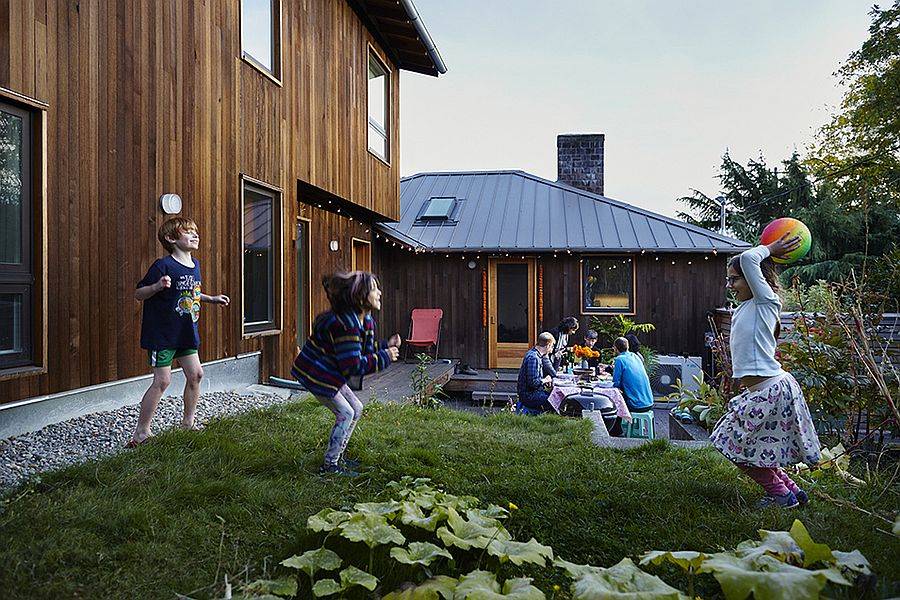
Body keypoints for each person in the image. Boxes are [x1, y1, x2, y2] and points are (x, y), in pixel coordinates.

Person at [709, 235, 821, 509]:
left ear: (753, 278)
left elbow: (749, 258)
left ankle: (780, 496)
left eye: (734, 279)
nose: (729, 285)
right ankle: (793, 492)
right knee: (749, 448)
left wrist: (769, 249)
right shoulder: (746, 307)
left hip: (772, 389)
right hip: (762, 389)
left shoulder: (765, 301)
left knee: (732, 444)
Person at [128, 217, 230, 447]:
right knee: (162, 382)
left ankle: (188, 423)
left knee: (196, 375)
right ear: (171, 239)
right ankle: (141, 433)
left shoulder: (195, 265)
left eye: (196, 232)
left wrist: (210, 299)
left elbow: (191, 292)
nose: (195, 236)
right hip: (162, 335)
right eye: (189, 232)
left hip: (185, 332)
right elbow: (138, 294)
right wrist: (156, 287)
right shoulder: (162, 266)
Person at [292, 271, 401, 475]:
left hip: (331, 373)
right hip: (317, 374)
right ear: (360, 297)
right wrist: (385, 356)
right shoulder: (345, 324)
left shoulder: (364, 321)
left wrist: (386, 345)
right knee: (346, 412)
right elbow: (353, 366)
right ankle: (330, 466)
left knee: (356, 408)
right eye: (374, 289)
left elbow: (363, 352)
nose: (380, 293)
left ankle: (338, 456)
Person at [611, 337, 654, 417]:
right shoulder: (635, 356)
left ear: (615, 348)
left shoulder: (619, 359)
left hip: (636, 404)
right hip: (649, 402)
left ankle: (618, 429)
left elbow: (616, 383)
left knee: (614, 403)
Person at [517, 332, 556, 413]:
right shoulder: (533, 358)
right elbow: (533, 383)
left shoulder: (536, 354)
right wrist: (545, 380)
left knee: (554, 396)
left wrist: (544, 382)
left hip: (532, 393)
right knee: (555, 401)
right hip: (529, 396)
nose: (552, 349)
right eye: (552, 346)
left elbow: (535, 380)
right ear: (548, 345)